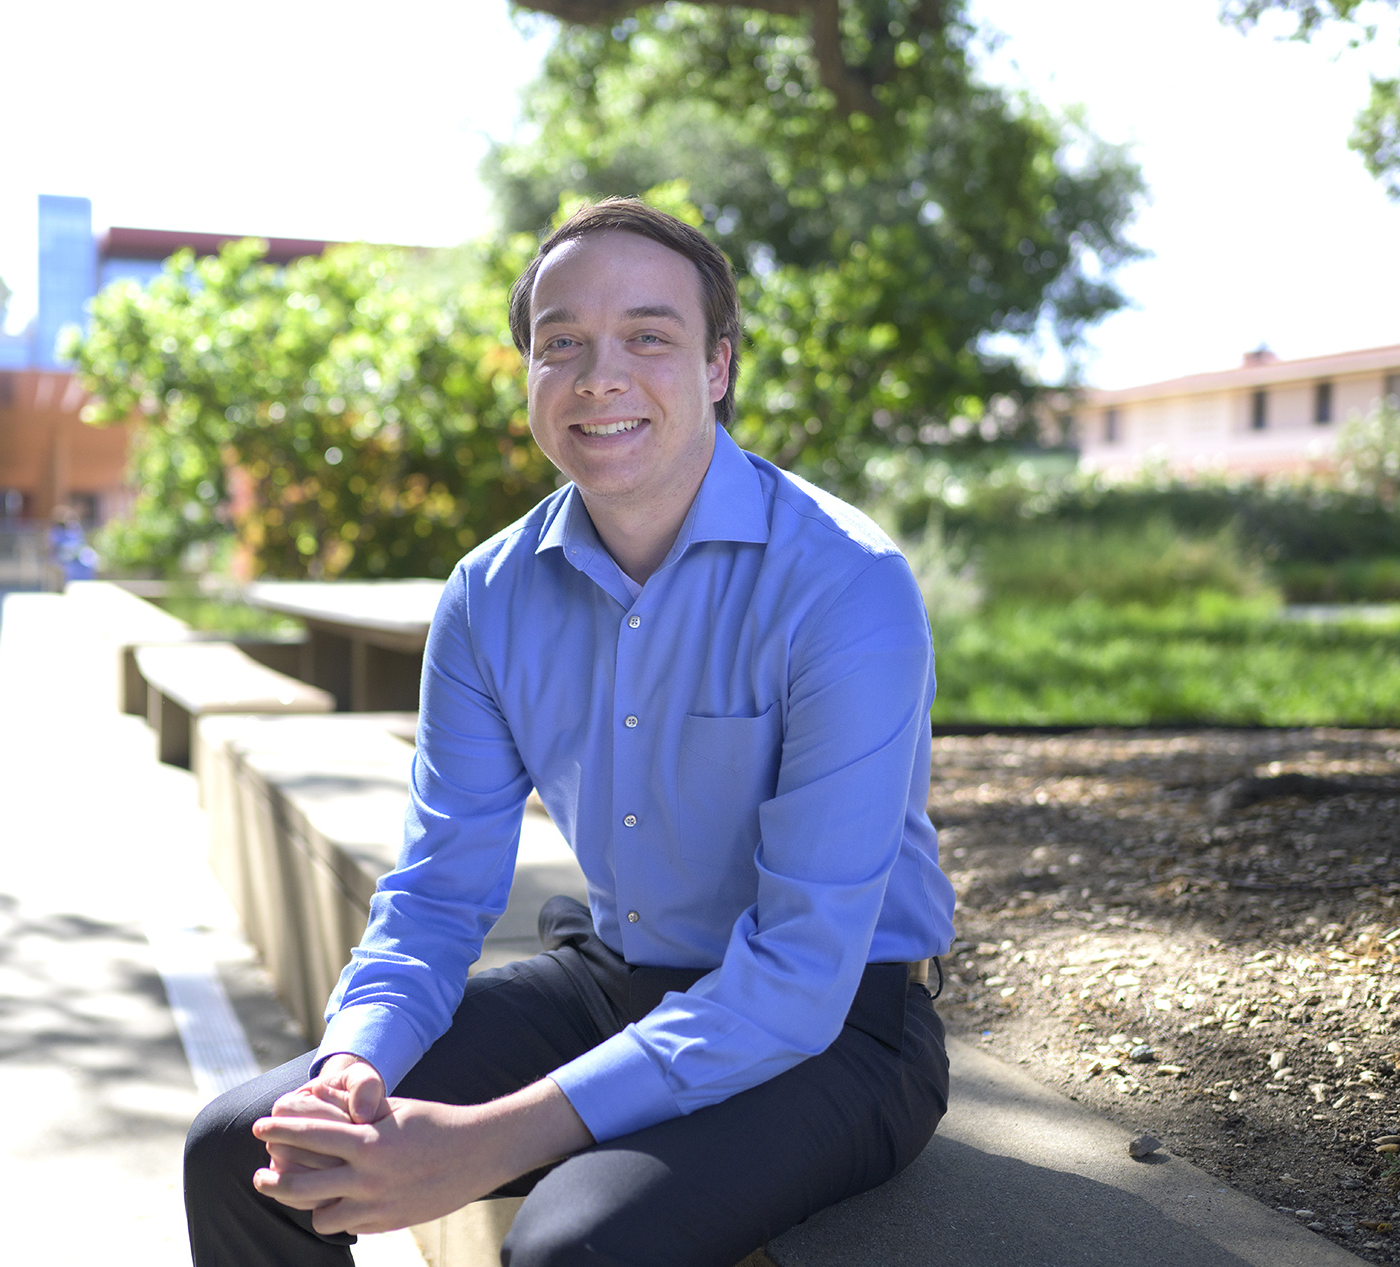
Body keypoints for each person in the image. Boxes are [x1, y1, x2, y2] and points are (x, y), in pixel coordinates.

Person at [184, 198, 955, 1267]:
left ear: (717, 364)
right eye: (562, 344)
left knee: (573, 1246)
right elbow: (437, 894)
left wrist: (480, 1141)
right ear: (532, 375)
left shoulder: (843, 583)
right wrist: (355, 1064)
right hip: (615, 979)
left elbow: (798, 968)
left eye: (648, 336)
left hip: (838, 1027)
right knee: (245, 1148)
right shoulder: (488, 596)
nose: (600, 376)